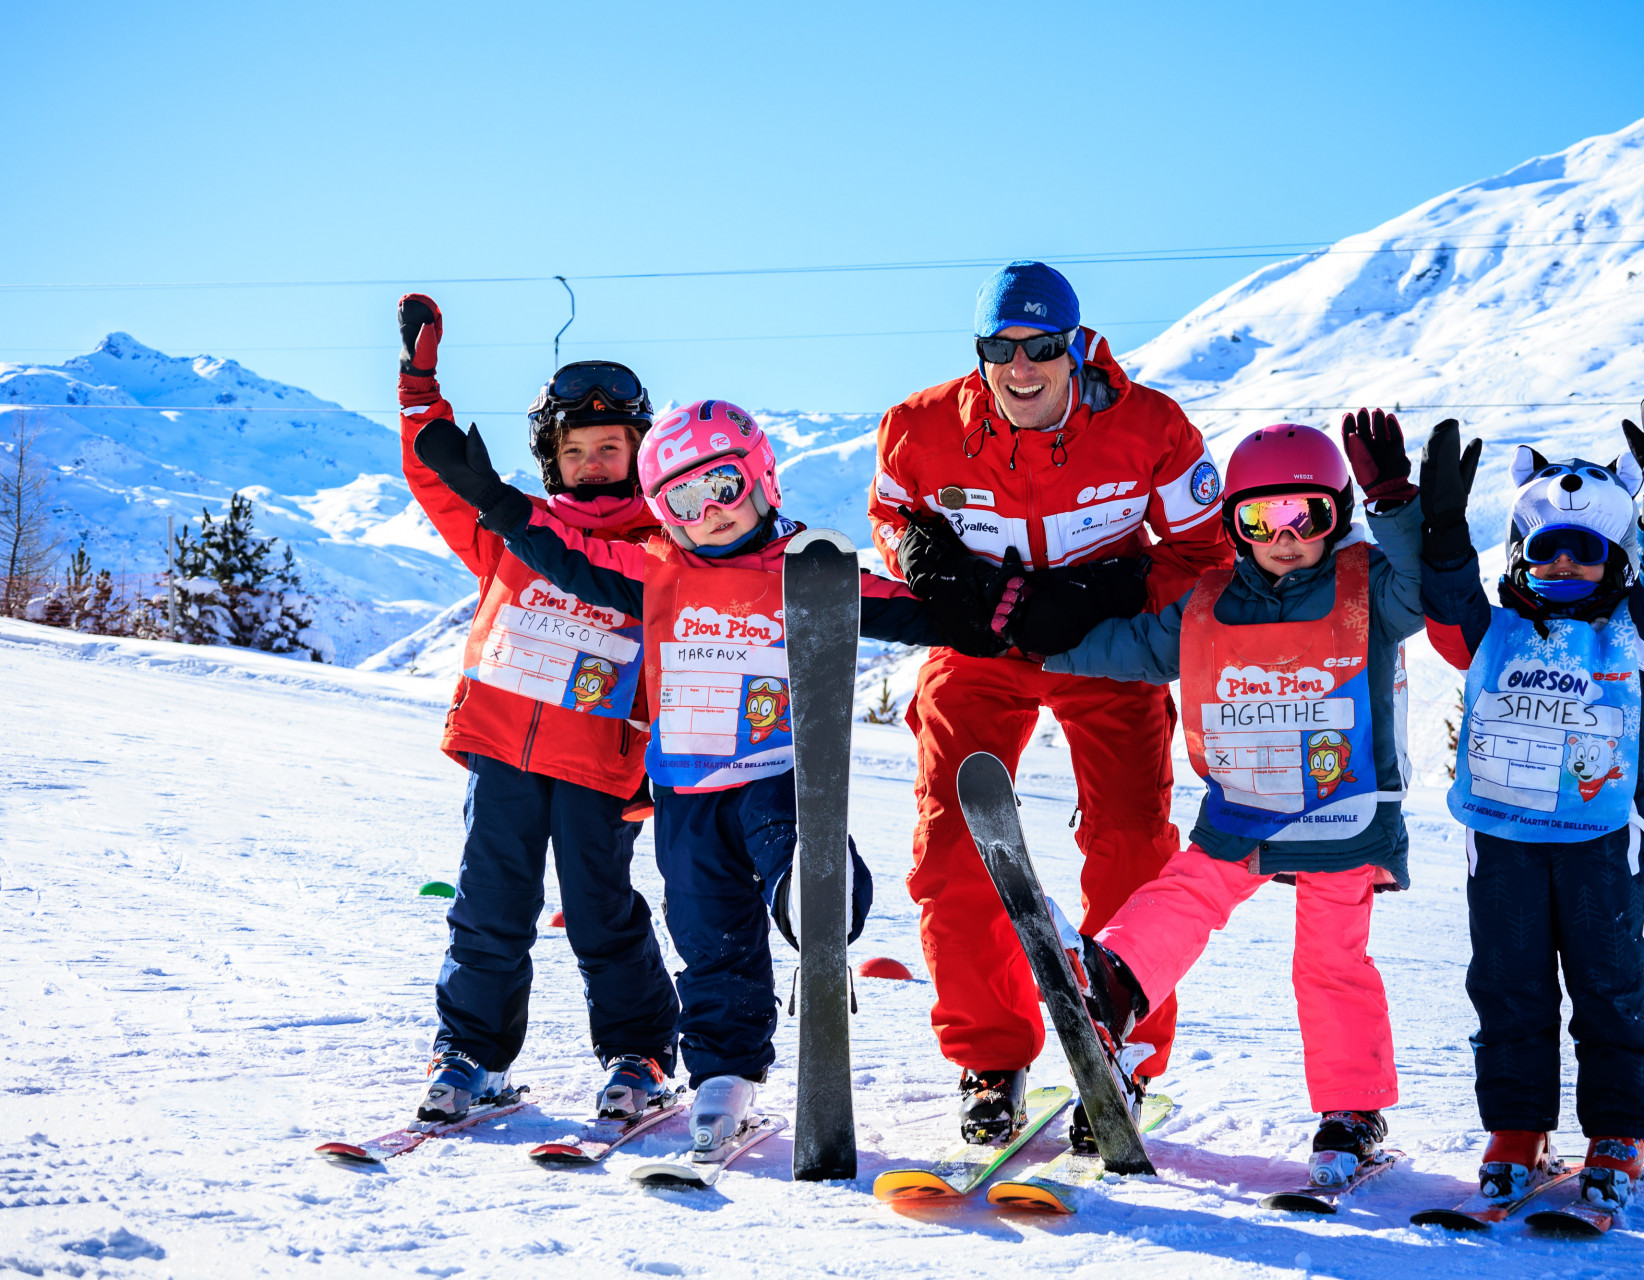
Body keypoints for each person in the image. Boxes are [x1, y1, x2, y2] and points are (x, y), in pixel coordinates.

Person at [410, 396, 947, 1150]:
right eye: (685, 500)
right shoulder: (656, 565)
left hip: (767, 770)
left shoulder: (801, 568)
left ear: (759, 476)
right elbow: (558, 551)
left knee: (757, 856)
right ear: (666, 511)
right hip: (681, 784)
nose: (711, 511)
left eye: (723, 487)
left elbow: (914, 610)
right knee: (703, 929)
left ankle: (815, 893)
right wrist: (490, 493)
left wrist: (1006, 606)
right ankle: (723, 1072)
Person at [868, 261, 1236, 1145]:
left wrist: (1114, 586)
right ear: (980, 351)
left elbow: (1207, 552)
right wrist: (921, 557)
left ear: (1075, 348)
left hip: (1101, 650)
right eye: (1001, 348)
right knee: (953, 849)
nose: (1021, 367)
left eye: (1041, 348)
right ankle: (991, 1059)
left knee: (1131, 846)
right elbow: (891, 515)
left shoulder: (1151, 427)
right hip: (984, 649)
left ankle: (1122, 1051)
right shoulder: (920, 428)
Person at [1045, 412, 1430, 1181]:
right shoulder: (1208, 602)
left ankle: (1352, 1109)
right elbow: (1135, 648)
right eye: (1261, 517)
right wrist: (1035, 641)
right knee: (1190, 885)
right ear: (1235, 525)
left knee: (1329, 958)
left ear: (1337, 517)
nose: (1284, 535)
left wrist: (1397, 506)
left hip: (1342, 813)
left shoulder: (1370, 589)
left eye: (1305, 515)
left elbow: (1427, 592)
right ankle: (1116, 985)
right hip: (1248, 803)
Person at [394, 294, 680, 1123]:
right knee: (489, 906)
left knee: (602, 915)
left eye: (611, 448)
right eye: (576, 449)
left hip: (600, 765)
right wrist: (420, 383)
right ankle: (468, 1057)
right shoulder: (512, 528)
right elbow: (435, 473)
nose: (593, 463)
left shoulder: (661, 548)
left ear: (639, 453)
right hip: (502, 753)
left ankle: (639, 1057)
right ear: (550, 458)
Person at [1419, 392, 1644, 1214]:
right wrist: (1440, 530)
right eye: (1547, 553)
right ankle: (1517, 1124)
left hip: (1601, 834)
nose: (1566, 566)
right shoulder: (1491, 630)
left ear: (1613, 560)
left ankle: (1618, 1126)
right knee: (1507, 979)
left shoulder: (1637, 631)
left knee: (1610, 978)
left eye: (1584, 551)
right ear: (1519, 559)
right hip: (1502, 835)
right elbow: (1445, 610)